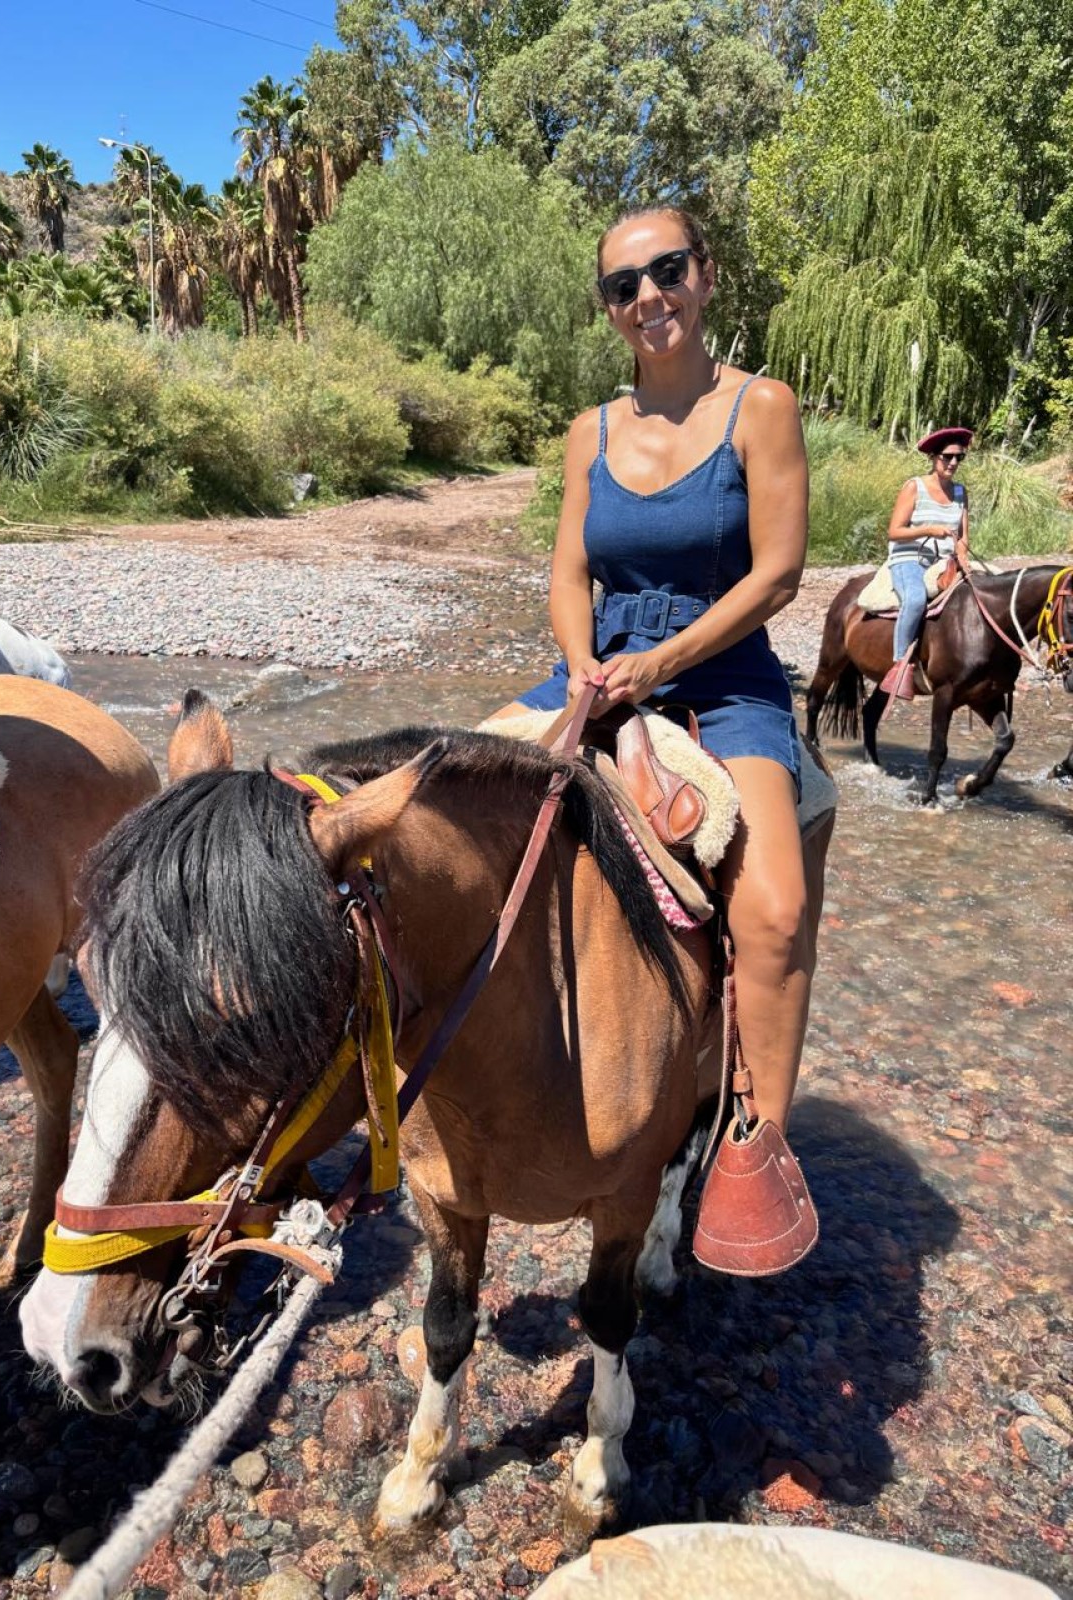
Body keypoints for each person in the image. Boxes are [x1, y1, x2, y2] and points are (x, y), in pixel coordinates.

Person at [490, 205, 816, 1274]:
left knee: (774, 912)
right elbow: (568, 571)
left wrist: (663, 663)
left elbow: (778, 572)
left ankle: (754, 1145)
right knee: (450, 819)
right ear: (609, 308)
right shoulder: (588, 429)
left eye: (666, 271)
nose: (647, 297)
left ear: (705, 276)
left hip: (721, 678)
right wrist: (584, 661)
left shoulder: (760, 407)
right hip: (599, 669)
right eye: (622, 286)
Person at [881, 427, 972, 701]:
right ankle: (900, 665)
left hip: (944, 561)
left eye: (959, 457)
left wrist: (963, 558)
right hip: (909, 558)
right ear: (933, 457)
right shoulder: (915, 487)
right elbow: (894, 531)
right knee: (915, 598)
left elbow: (963, 537)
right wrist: (928, 530)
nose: (953, 463)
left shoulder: (960, 492)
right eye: (947, 457)